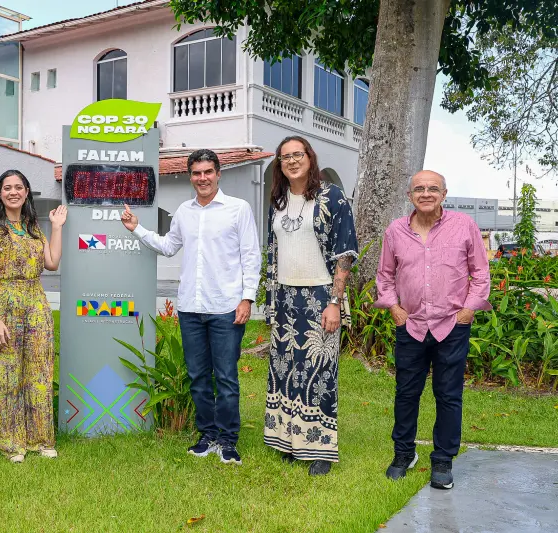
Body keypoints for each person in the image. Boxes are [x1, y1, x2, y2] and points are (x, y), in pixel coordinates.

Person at [121, 149, 260, 465]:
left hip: (226, 307)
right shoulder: (184, 211)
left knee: (226, 378)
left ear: (218, 173)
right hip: (191, 309)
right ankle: (207, 435)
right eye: (196, 173)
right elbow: (169, 246)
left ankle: (228, 441)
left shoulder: (238, 209)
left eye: (208, 172)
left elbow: (251, 256)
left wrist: (247, 298)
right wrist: (137, 229)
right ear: (190, 177)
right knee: (198, 377)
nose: (202, 178)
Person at [375, 170, 491, 490]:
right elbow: (385, 276)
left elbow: (481, 273)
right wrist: (395, 309)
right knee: (406, 393)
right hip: (410, 325)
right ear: (409, 195)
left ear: (444, 194)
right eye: (419, 189)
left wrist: (468, 311)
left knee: (449, 395)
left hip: (452, 325)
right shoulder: (395, 231)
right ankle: (404, 453)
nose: (425, 194)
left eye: (432, 188)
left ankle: (442, 460)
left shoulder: (464, 225)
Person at [262, 136, 358, 476]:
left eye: (297, 154)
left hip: (320, 297)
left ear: (309, 157)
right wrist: (271, 303)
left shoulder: (332, 196)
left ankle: (320, 448)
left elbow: (344, 255)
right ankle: (291, 441)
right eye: (285, 156)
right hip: (285, 297)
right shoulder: (278, 200)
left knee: (319, 372)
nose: (292, 161)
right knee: (286, 371)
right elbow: (274, 252)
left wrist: (335, 302)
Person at [0, 170, 67, 462]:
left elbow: (51, 262)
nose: (13, 192)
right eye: (7, 188)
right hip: (0, 303)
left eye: (18, 187)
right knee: (5, 374)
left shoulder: (33, 227)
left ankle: (41, 439)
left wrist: (57, 227)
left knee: (40, 372)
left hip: (35, 302)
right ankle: (11, 443)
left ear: (26, 192)